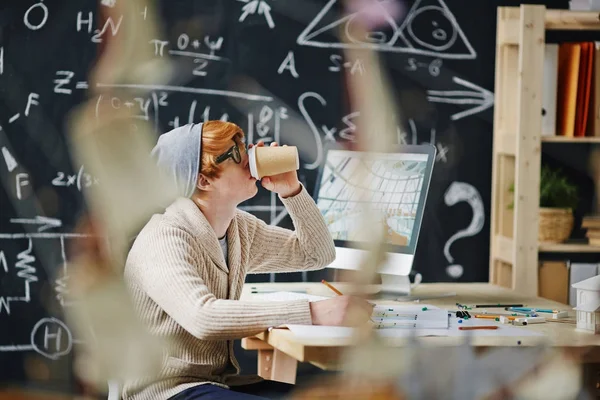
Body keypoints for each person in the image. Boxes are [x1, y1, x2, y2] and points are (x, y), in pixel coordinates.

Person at [122, 121, 373, 400]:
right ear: (203, 180)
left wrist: (291, 190)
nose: (251, 156)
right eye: (236, 153)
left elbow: (316, 254)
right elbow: (203, 317)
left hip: (214, 383)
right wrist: (313, 312)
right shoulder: (164, 237)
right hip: (166, 392)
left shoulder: (237, 228)